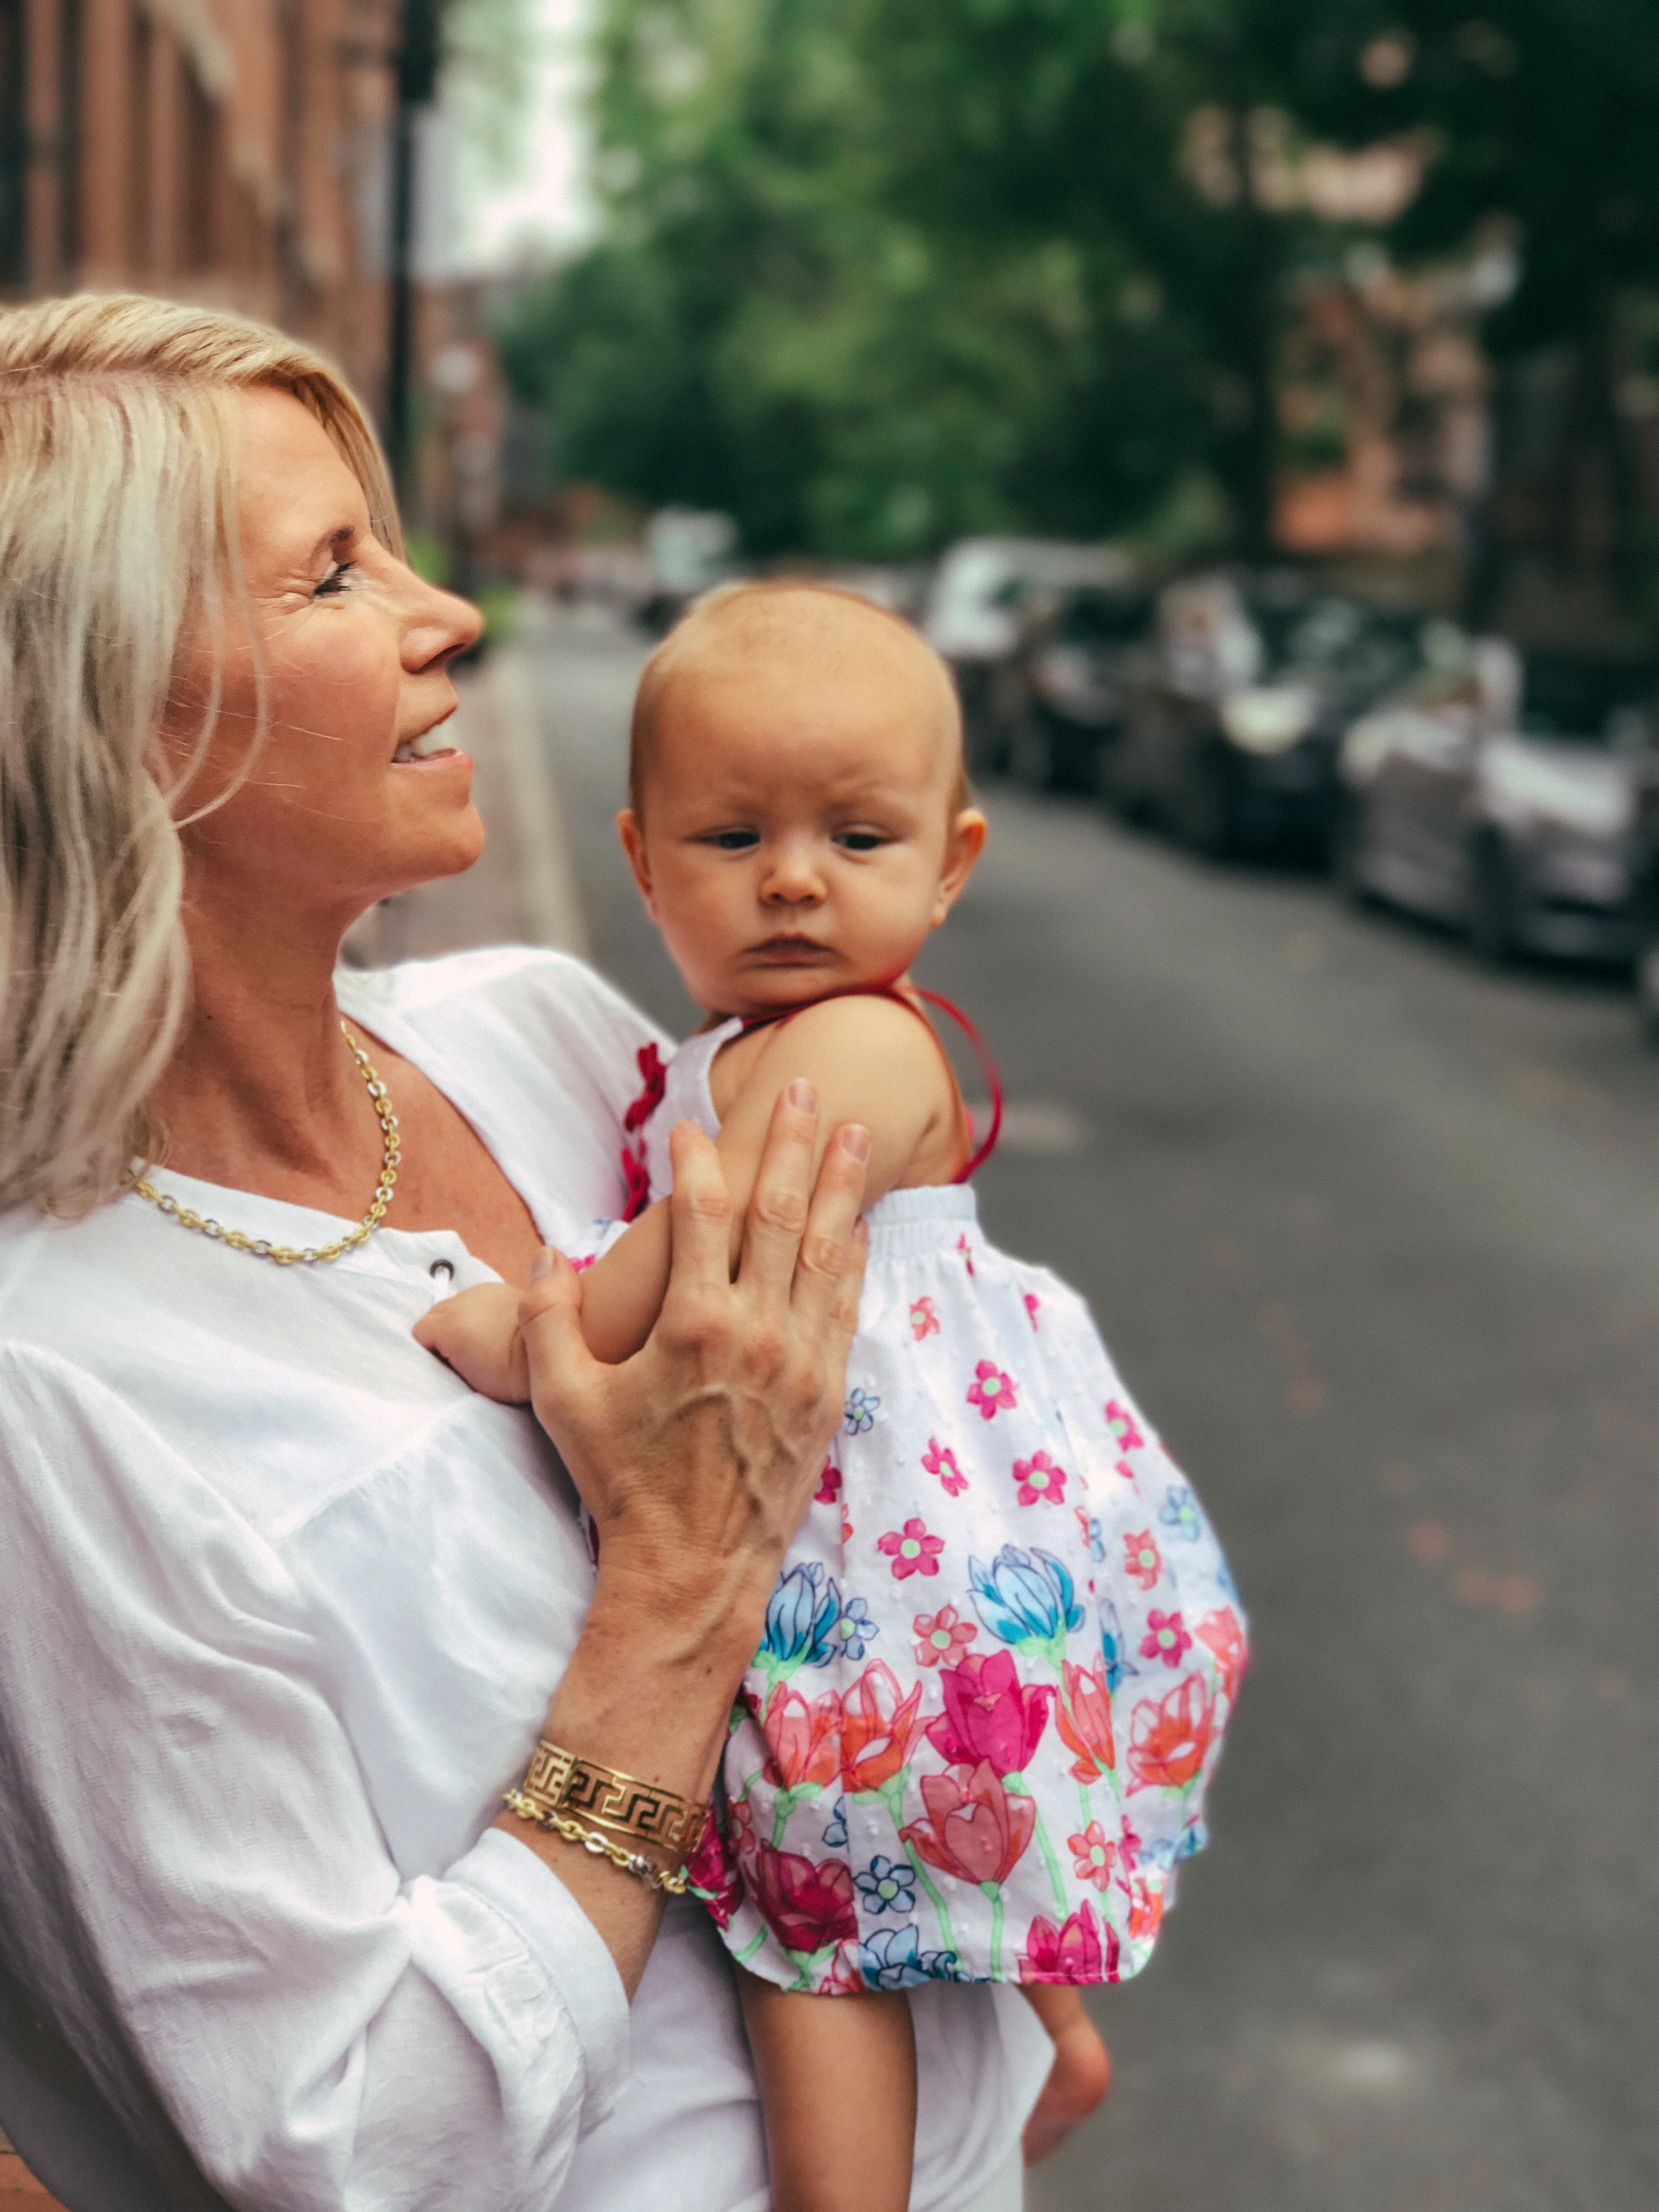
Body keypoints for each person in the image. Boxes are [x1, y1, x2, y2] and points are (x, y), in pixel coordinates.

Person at [0, 295, 1060, 2212]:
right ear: (109, 718)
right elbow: (344, 2147)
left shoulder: (548, 1040)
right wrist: (679, 1583)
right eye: (332, 573)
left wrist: (1001, 1960)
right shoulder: (48, 1384)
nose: (445, 614)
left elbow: (898, 1431)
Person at [419, 583, 1248, 2210]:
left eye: (855, 840)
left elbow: (681, 1267)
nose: (793, 877)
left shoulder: (859, 1050)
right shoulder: (732, 1042)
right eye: (732, 838)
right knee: (933, 1844)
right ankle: (1048, 2036)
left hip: (890, 1594)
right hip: (903, 1568)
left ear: (950, 864)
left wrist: (525, 1331)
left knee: (823, 1934)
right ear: (642, 859)